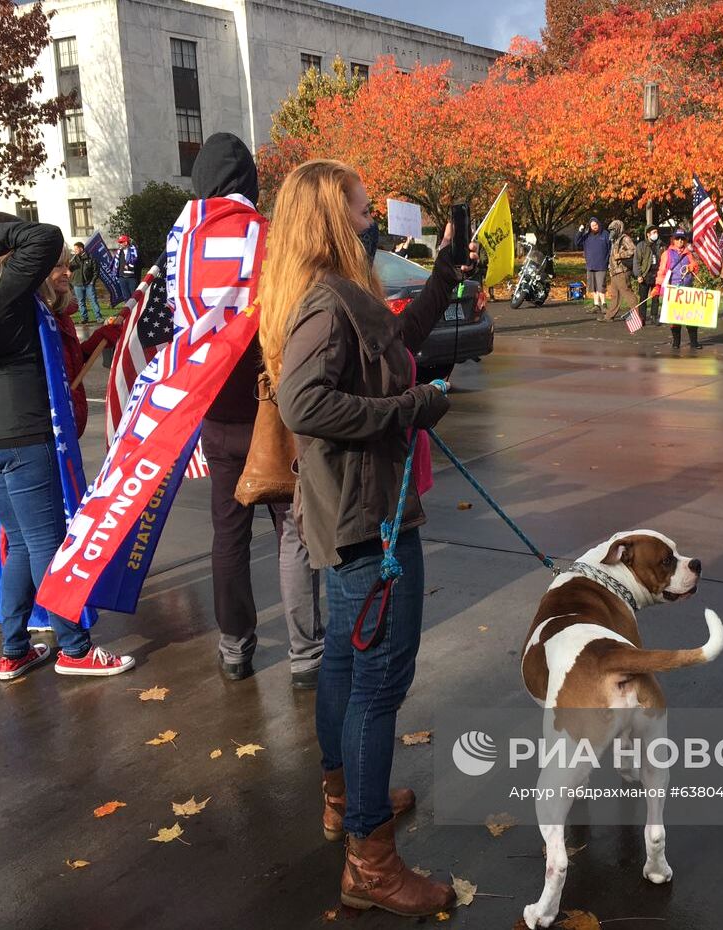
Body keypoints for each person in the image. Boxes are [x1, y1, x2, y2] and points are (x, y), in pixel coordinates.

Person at [265, 159, 476, 917]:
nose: (373, 220)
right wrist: (408, 411)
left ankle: (345, 796)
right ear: (332, 218)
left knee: (349, 676)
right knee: (378, 682)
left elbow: (399, 340)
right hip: (365, 519)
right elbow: (303, 401)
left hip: (358, 510)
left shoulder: (340, 295)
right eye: (362, 210)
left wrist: (446, 268)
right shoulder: (325, 303)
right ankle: (369, 858)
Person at [0, 218, 135, 680]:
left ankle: (14, 650)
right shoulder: (3, 293)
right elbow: (47, 236)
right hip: (21, 434)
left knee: (21, 544)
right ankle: (74, 649)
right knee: (46, 544)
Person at [190, 132, 325, 686]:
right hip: (273, 410)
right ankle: (305, 654)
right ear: (250, 180)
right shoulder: (274, 240)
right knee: (292, 532)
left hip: (214, 413)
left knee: (228, 533)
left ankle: (234, 648)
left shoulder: (183, 247)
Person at [654, 228, 700, 349]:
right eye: (677, 238)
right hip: (673, 290)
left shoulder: (689, 253)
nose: (680, 241)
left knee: (691, 317)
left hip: (687, 289)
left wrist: (692, 267)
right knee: (675, 318)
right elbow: (662, 272)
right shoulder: (667, 254)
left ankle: (694, 342)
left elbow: (696, 268)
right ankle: (676, 342)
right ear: (673, 240)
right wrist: (658, 287)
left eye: (682, 239)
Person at [603, 219, 638, 321]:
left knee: (627, 293)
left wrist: (619, 255)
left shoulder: (625, 238)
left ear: (618, 229)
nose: (611, 232)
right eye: (610, 230)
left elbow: (633, 250)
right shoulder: (615, 240)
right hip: (615, 271)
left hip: (622, 271)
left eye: (613, 230)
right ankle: (609, 316)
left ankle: (636, 314)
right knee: (615, 295)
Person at [575, 217, 611, 314]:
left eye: (595, 225)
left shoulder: (605, 234)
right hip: (590, 265)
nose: (594, 227)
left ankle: (604, 304)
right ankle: (596, 305)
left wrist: (609, 262)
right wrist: (580, 231)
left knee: (601, 286)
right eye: (592, 226)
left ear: (598, 224)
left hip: (602, 265)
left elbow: (610, 248)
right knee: (593, 287)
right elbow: (577, 242)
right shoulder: (587, 236)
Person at [632, 226, 663, 325]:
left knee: (655, 297)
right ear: (648, 234)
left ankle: (654, 316)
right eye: (653, 232)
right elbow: (636, 261)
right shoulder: (641, 245)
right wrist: (639, 275)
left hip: (657, 274)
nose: (656, 234)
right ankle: (642, 318)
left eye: (656, 232)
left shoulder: (660, 245)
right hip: (645, 275)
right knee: (643, 297)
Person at [68, 242, 104, 323]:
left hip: (88, 284)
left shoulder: (90, 258)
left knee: (93, 301)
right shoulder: (74, 259)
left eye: (76, 249)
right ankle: (84, 318)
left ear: (81, 249)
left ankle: (98, 317)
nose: (75, 251)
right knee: (81, 302)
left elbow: (96, 271)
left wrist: (92, 282)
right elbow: (68, 269)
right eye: (74, 249)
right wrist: (68, 265)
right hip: (77, 284)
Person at [113, 234, 139, 301]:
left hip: (131, 277)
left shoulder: (133, 250)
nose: (120, 244)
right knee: (126, 297)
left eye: (121, 242)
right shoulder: (119, 252)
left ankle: (135, 311)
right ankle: (128, 311)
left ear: (126, 242)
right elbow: (116, 263)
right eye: (119, 242)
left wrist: (130, 267)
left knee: (134, 297)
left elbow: (137, 262)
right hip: (122, 277)